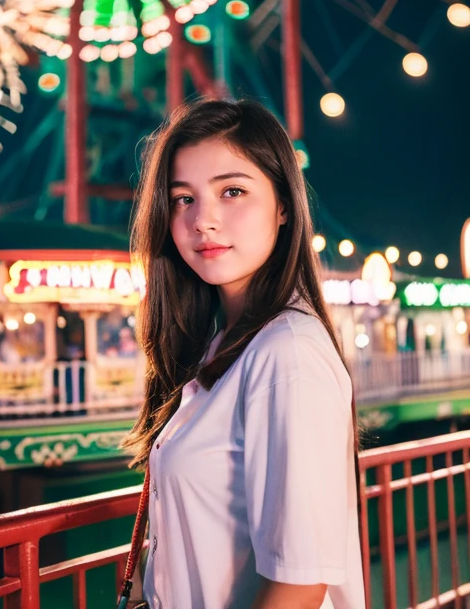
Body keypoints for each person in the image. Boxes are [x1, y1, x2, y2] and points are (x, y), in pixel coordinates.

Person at [124, 97, 365, 609]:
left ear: (283, 206)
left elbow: (298, 586)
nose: (202, 221)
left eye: (232, 191)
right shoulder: (225, 345)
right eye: (182, 199)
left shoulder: (287, 356)